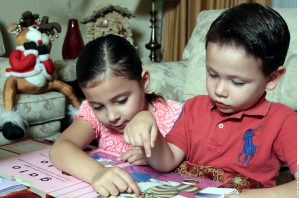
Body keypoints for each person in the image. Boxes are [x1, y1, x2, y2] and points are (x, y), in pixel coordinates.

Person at [124, 3, 296, 198]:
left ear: (272, 78)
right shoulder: (194, 107)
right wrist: (147, 122)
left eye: (237, 82)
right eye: (212, 74)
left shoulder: (283, 121)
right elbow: (167, 161)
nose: (220, 90)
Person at [49, 34, 182, 197]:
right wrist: (96, 173)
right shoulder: (93, 116)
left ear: (144, 82)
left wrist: (153, 152)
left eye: (121, 100)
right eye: (98, 106)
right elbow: (60, 148)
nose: (111, 116)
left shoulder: (172, 114)